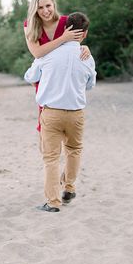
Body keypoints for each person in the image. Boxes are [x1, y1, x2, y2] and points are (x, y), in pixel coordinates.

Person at [24, 12, 96, 212]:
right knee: (74, 150)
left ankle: (53, 202)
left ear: (65, 29)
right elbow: (90, 85)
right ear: (85, 34)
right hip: (76, 113)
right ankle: (70, 187)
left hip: (52, 113)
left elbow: (29, 76)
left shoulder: (48, 55)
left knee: (51, 158)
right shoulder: (87, 57)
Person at [24, 0, 91, 130]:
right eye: (40, 7)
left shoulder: (67, 21)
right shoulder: (30, 25)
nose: (45, 11)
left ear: (53, 4)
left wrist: (85, 48)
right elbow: (37, 53)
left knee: (68, 123)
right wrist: (63, 38)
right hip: (45, 78)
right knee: (45, 124)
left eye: (48, 6)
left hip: (65, 78)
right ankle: (48, 153)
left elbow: (76, 44)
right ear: (35, 9)